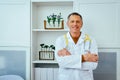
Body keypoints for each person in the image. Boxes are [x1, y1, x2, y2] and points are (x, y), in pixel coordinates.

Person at [55, 12, 99, 80]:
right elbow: (61, 63)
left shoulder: (91, 40)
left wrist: (69, 60)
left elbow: (93, 65)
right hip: (66, 78)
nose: (75, 24)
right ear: (68, 24)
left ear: (81, 24)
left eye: (78, 21)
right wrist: (84, 58)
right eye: (72, 21)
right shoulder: (60, 40)